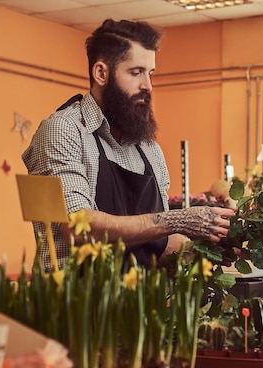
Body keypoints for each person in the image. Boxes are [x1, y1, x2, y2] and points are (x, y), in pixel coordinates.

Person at [22, 19, 234, 271]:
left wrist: (215, 248)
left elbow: (159, 246)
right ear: (101, 73)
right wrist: (176, 220)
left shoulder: (148, 149)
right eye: (136, 73)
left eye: (150, 73)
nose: (148, 85)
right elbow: (77, 227)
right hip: (76, 302)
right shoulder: (63, 131)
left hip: (141, 302)